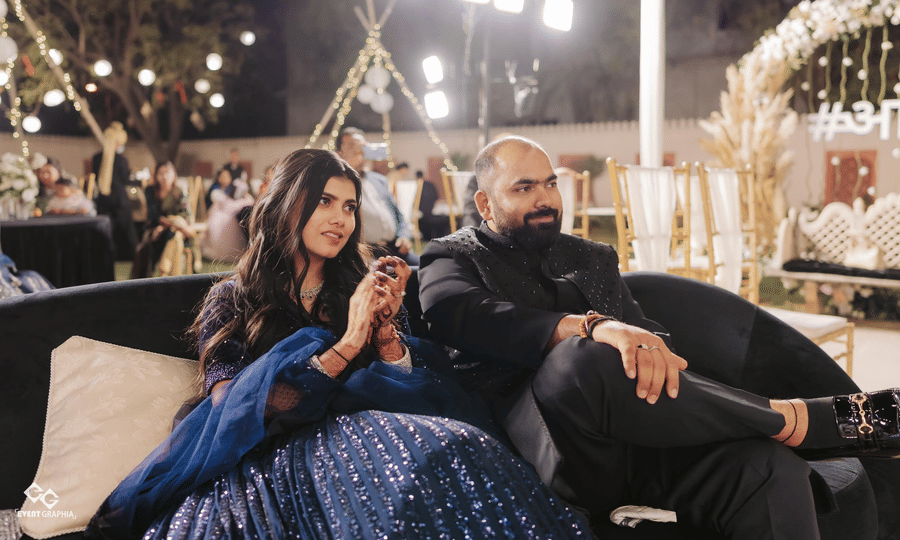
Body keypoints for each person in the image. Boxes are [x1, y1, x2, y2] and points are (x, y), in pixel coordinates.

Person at [87, 148, 592, 540]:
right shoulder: (233, 299)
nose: (340, 218)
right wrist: (348, 344)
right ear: (286, 203)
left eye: (349, 206)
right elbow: (236, 409)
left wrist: (387, 336)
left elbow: (415, 386)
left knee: (461, 444)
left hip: (389, 428)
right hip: (285, 454)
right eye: (324, 202)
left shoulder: (360, 284)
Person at [418, 135, 900, 539]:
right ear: (485, 203)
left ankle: (781, 432)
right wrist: (589, 326)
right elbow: (455, 313)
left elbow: (651, 340)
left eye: (549, 184)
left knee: (770, 468)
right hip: (548, 453)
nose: (545, 198)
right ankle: (798, 420)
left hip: (642, 448)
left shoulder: (592, 257)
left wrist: (643, 344)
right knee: (583, 359)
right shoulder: (452, 257)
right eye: (523, 188)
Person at [336, 127, 419, 266]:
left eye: (362, 146)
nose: (359, 150)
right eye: (352, 146)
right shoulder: (340, 184)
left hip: (395, 248)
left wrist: (404, 236)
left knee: (426, 270)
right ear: (339, 154)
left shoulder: (379, 180)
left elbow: (397, 215)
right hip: (366, 253)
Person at [130, 161, 195, 278]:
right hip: (156, 228)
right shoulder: (150, 191)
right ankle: (174, 276)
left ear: (173, 174)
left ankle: (164, 272)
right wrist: (166, 224)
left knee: (174, 236)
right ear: (156, 175)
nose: (164, 176)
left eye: (167, 172)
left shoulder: (179, 191)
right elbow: (153, 215)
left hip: (174, 229)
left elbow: (184, 216)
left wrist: (165, 226)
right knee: (173, 237)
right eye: (161, 173)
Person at [92, 121, 138, 260]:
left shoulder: (96, 158)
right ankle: (131, 256)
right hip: (119, 199)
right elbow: (125, 180)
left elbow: (95, 177)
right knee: (126, 229)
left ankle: (107, 255)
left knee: (106, 229)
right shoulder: (121, 159)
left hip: (103, 199)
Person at [200, 169, 254, 263]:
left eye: (227, 176)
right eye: (224, 177)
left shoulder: (233, 192)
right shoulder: (216, 190)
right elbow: (213, 209)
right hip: (222, 221)